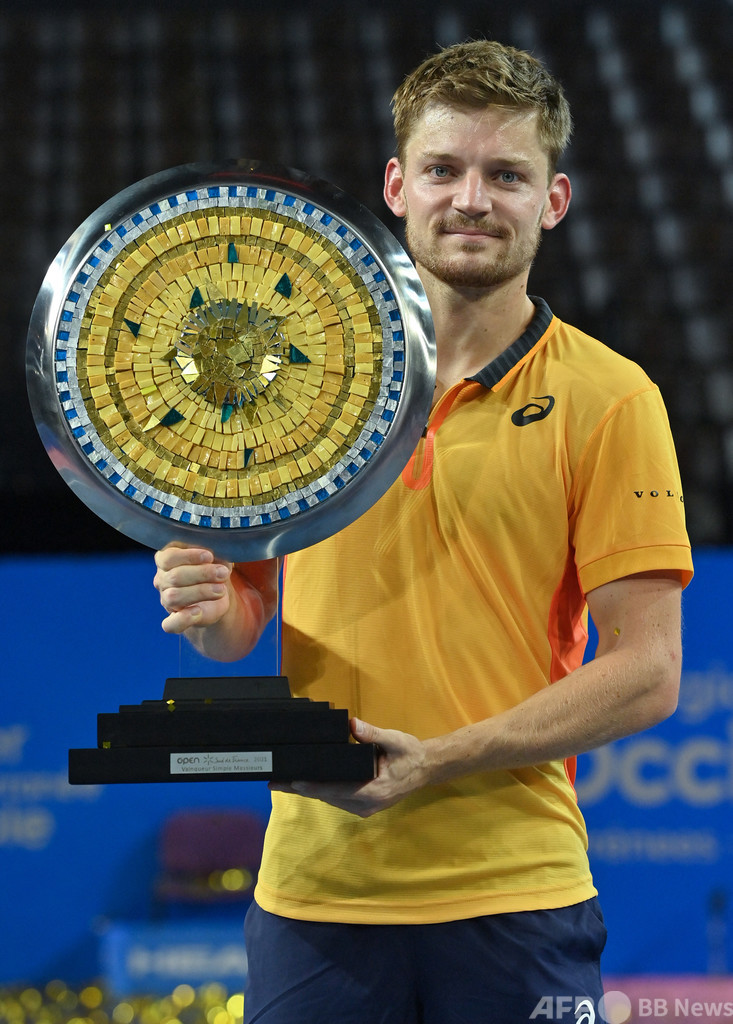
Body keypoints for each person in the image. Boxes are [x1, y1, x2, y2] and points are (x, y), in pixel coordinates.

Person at [154, 39, 693, 1024]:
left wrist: (438, 757)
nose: (471, 200)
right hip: (315, 896)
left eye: (506, 176)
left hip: (517, 893)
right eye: (443, 169)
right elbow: (240, 625)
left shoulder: (610, 399)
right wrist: (210, 606)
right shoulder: (296, 386)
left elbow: (648, 670)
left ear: (553, 201)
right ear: (398, 186)